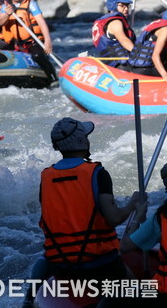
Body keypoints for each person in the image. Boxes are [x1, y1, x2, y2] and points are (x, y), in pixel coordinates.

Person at [39, 118, 141, 281]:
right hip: (99, 264)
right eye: (86, 137)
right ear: (80, 140)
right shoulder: (97, 173)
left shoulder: (46, 177)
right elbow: (114, 218)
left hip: (60, 265)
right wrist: (133, 204)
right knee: (138, 291)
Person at [120, 163, 167, 306]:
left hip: (162, 294)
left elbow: (125, 246)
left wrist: (138, 216)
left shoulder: (162, 217)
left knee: (113, 296)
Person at [0, 0, 56, 80]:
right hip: (15, 44)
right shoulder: (5, 7)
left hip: (33, 42)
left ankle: (52, 78)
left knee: (37, 56)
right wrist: (6, 14)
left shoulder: (31, 4)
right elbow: (1, 22)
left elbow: (41, 23)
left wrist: (47, 40)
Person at [92, 0, 136, 69]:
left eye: (127, 6)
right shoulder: (115, 22)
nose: (126, 9)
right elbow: (124, 40)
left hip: (109, 65)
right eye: (122, 6)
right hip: (120, 66)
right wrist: (139, 54)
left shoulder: (104, 21)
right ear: (113, 5)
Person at [128, 11, 167, 78]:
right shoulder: (165, 30)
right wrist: (165, 76)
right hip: (145, 68)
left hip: (141, 66)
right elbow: (155, 56)